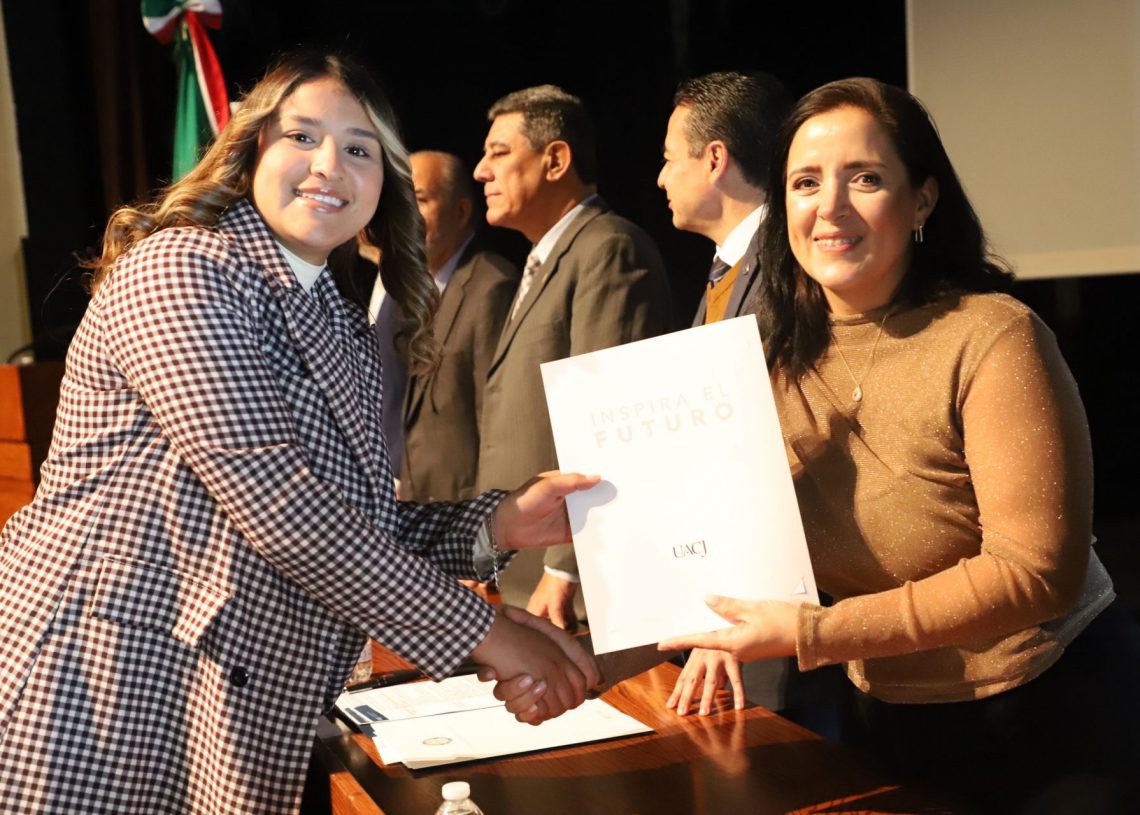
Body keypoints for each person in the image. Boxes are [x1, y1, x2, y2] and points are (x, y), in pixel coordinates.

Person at [0, 52, 600, 814]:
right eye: (303, 137)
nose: (328, 166)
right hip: (99, 690)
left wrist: (499, 521)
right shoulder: (182, 269)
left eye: (359, 149)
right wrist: (491, 632)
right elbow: (283, 510)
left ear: (382, 182)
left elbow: (356, 524)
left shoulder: (340, 324)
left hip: (218, 702)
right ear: (254, 147)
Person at [648, 77, 1140, 812]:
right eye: (806, 182)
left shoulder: (992, 335)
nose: (831, 207)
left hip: (1050, 719)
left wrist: (816, 630)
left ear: (922, 202)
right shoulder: (766, 360)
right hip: (885, 719)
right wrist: (706, 619)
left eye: (866, 179)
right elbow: (740, 531)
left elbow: (1036, 572)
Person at [658, 70, 843, 722]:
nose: (660, 178)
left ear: (715, 160)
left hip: (781, 606)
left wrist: (732, 609)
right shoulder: (729, 269)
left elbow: (773, 448)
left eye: (669, 158)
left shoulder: (786, 269)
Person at [473, 84, 672, 629]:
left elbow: (609, 418)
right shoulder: (545, 259)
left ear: (556, 160)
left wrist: (566, 568)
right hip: (520, 572)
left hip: (574, 591)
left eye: (499, 152)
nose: (481, 171)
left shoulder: (608, 248)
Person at [399, 150, 518, 503]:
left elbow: (496, 422)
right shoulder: (421, 288)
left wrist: (488, 516)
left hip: (469, 511)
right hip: (423, 509)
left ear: (462, 211)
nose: (406, 213)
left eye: (420, 199)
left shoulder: (492, 285)